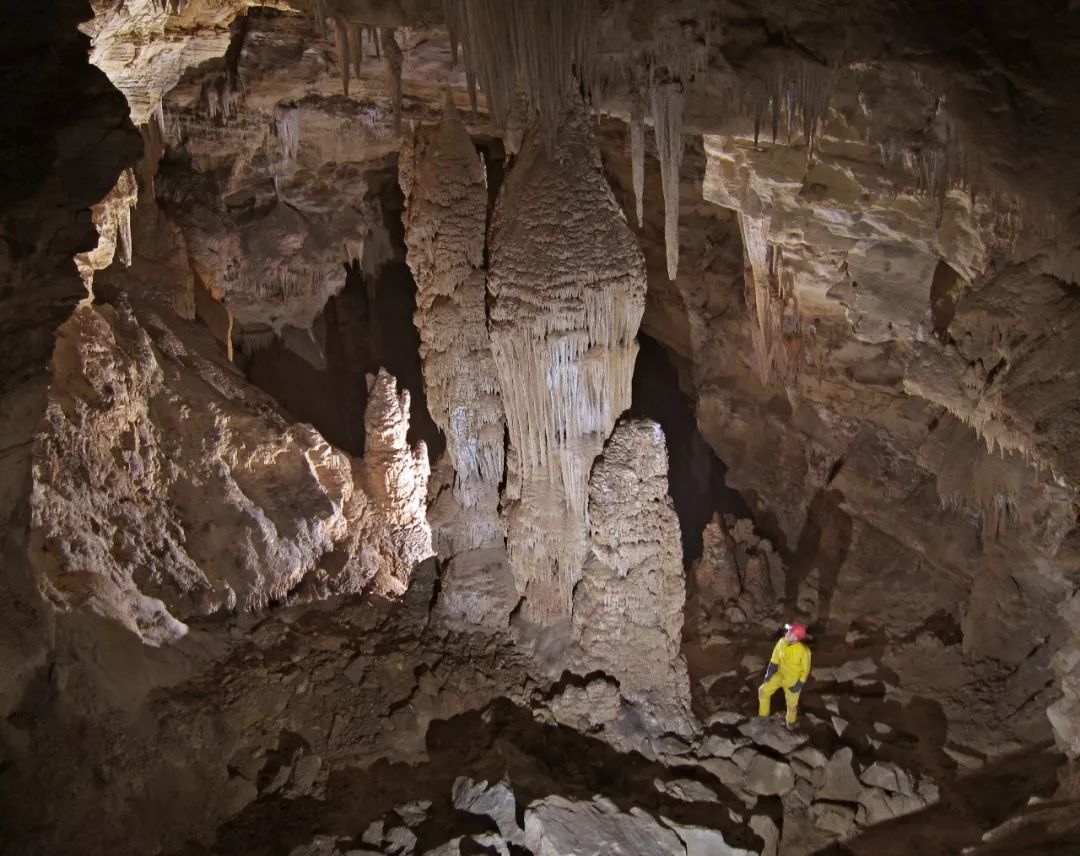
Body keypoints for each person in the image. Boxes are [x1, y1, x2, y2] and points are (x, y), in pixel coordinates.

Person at [758, 622, 811, 730]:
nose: (787, 633)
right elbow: (774, 659)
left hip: (793, 680)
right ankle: (763, 716)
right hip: (780, 675)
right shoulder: (781, 642)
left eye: (790, 633)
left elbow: (805, 670)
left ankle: (790, 722)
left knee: (791, 705)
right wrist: (770, 673)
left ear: (796, 638)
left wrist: (800, 683)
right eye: (788, 631)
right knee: (763, 691)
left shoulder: (804, 651)